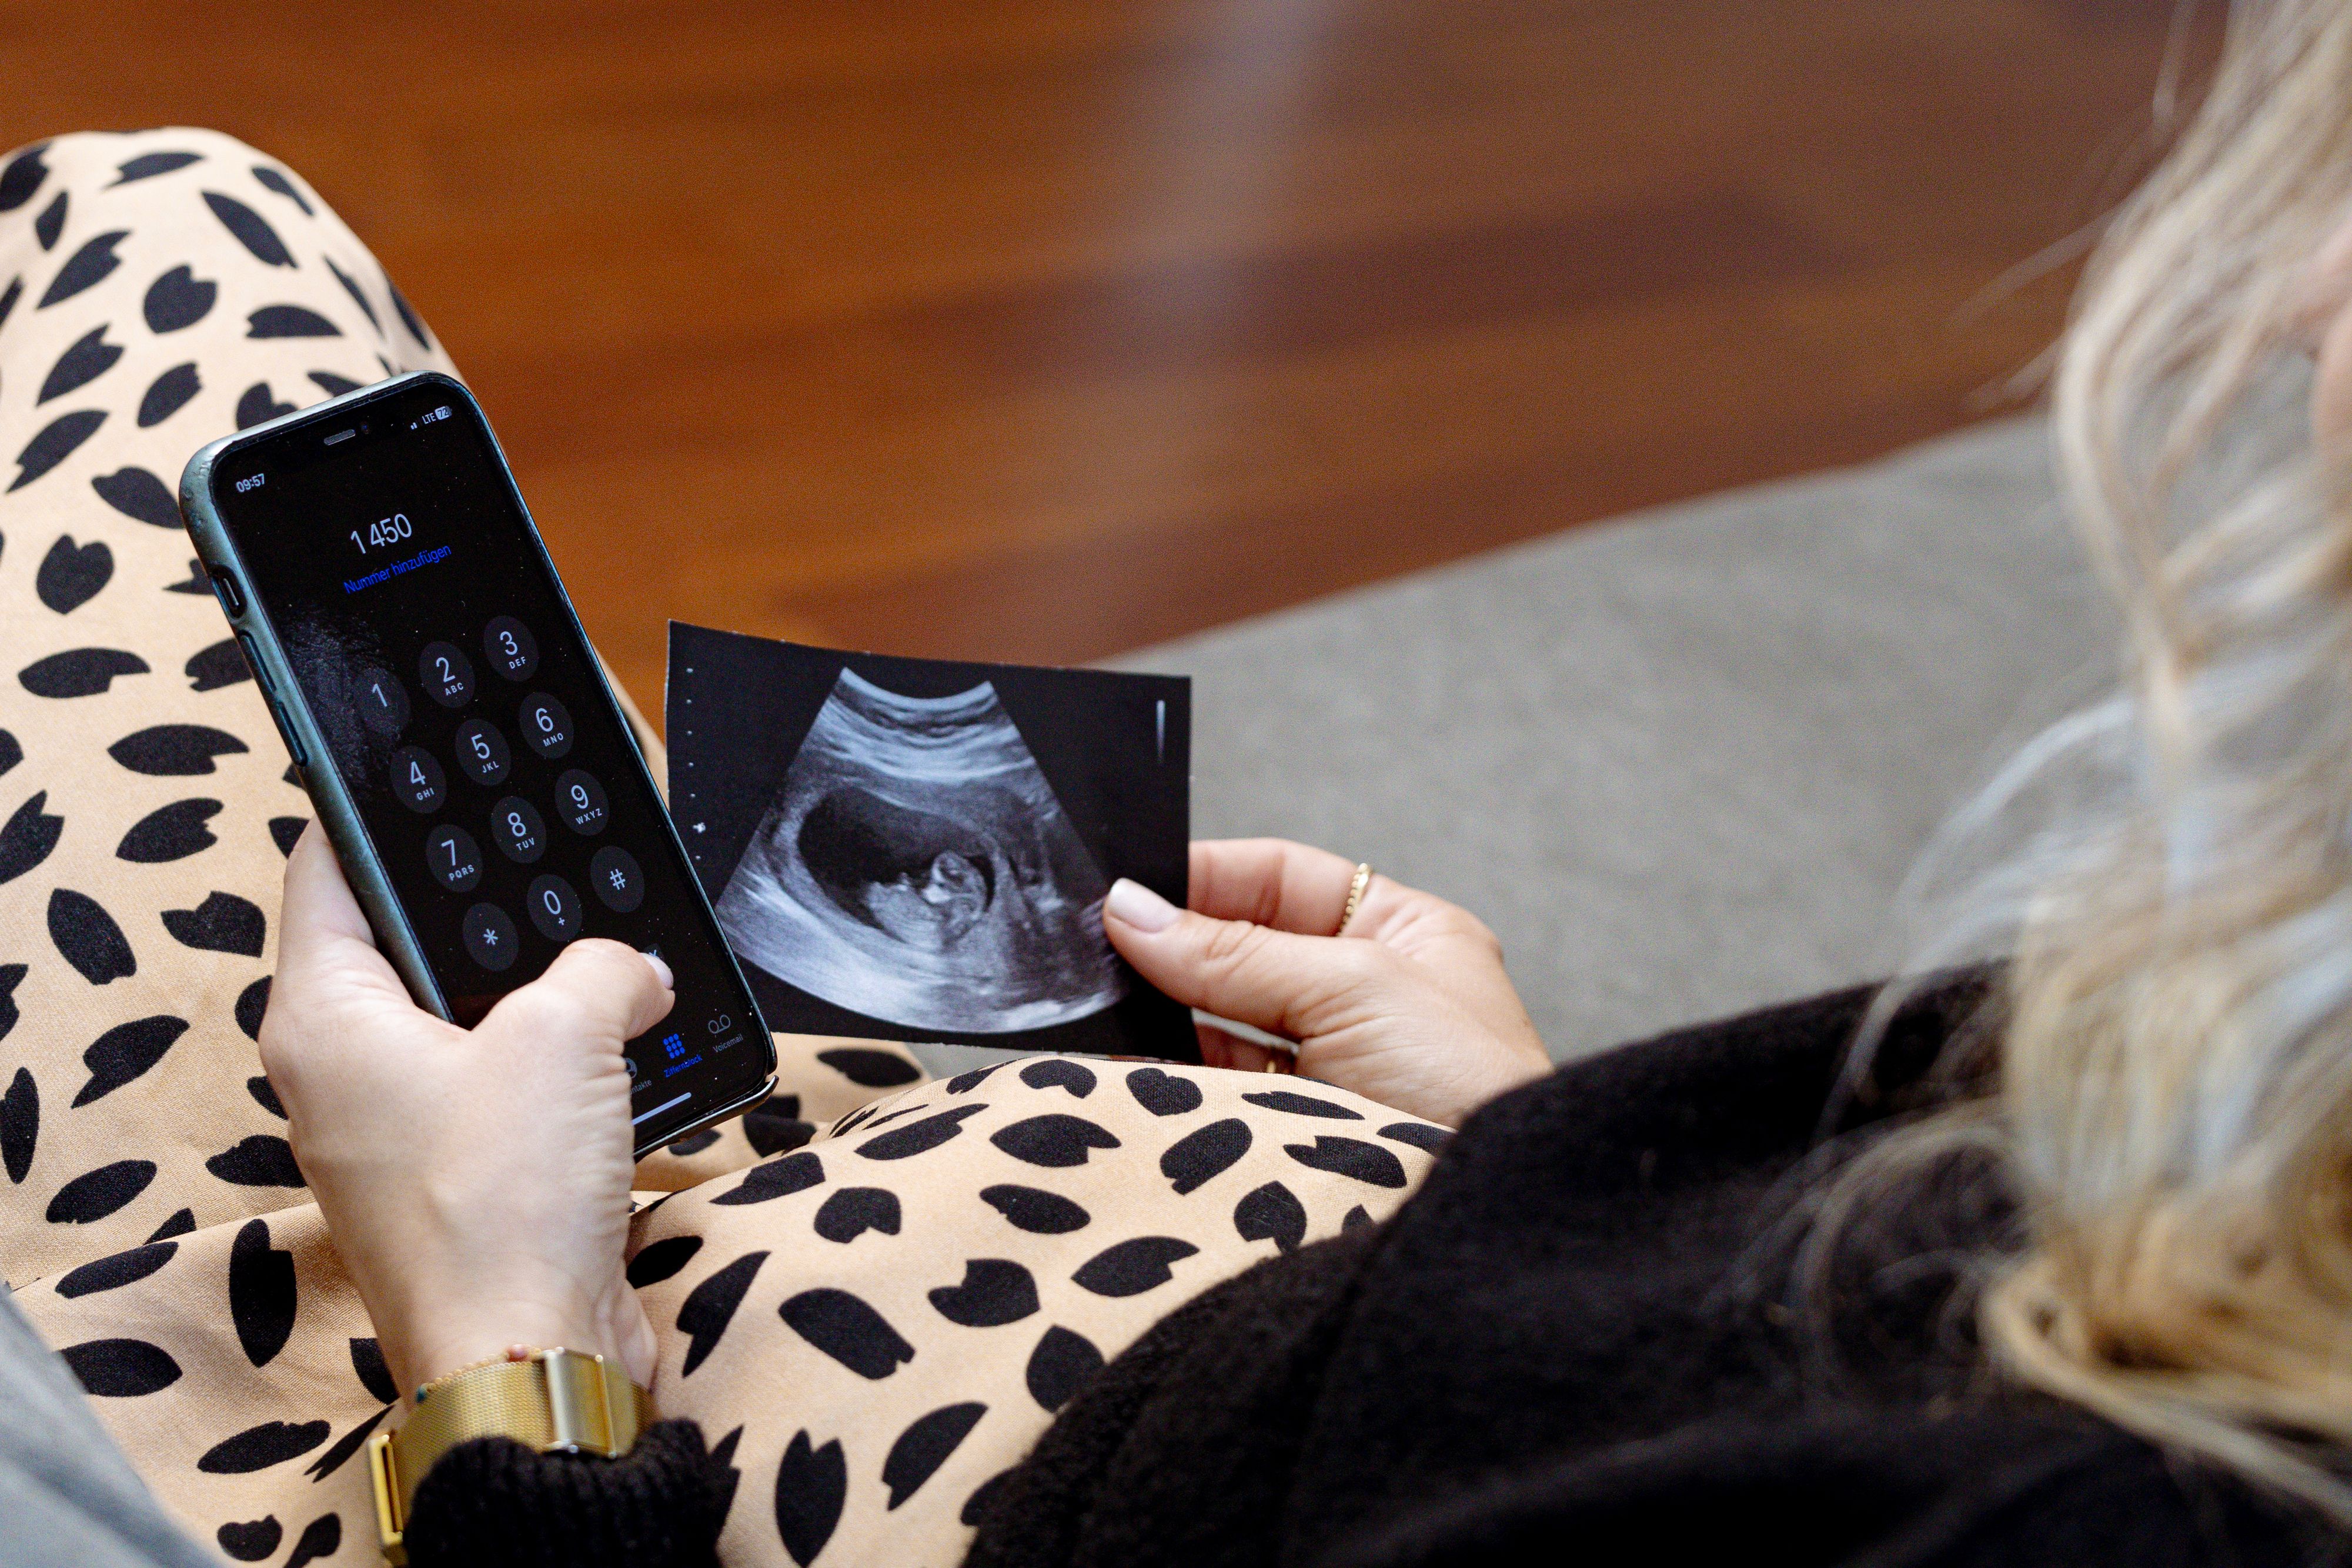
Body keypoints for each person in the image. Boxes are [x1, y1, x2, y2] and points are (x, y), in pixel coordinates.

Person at [14, 1, 2352, 1563]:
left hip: (622, 1417)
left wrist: (503, 1375)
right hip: (1271, 1259)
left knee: (150, 233)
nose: (2278, 313)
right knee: (213, 268)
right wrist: (1529, 1152)